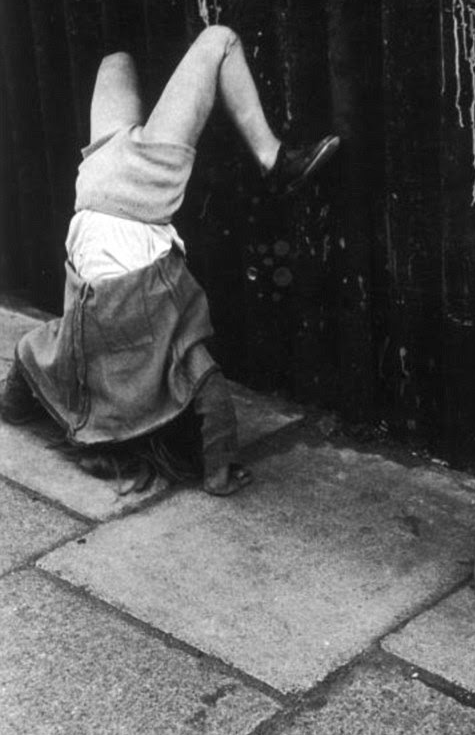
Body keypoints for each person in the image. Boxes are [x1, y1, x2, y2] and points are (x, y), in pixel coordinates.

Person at [0, 25, 339, 496]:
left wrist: (219, 474)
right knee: (116, 60)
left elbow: (213, 396)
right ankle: (266, 153)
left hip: (136, 193)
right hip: (94, 194)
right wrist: (11, 408)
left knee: (220, 41)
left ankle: (274, 160)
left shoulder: (172, 360)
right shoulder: (76, 357)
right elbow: (24, 356)